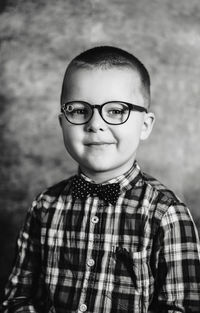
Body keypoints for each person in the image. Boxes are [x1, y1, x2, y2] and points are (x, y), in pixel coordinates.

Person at [1, 46, 200, 313]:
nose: (95, 123)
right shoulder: (44, 206)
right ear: (62, 123)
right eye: (79, 110)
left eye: (117, 111)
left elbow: (182, 307)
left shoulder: (167, 214)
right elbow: (17, 298)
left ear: (145, 126)